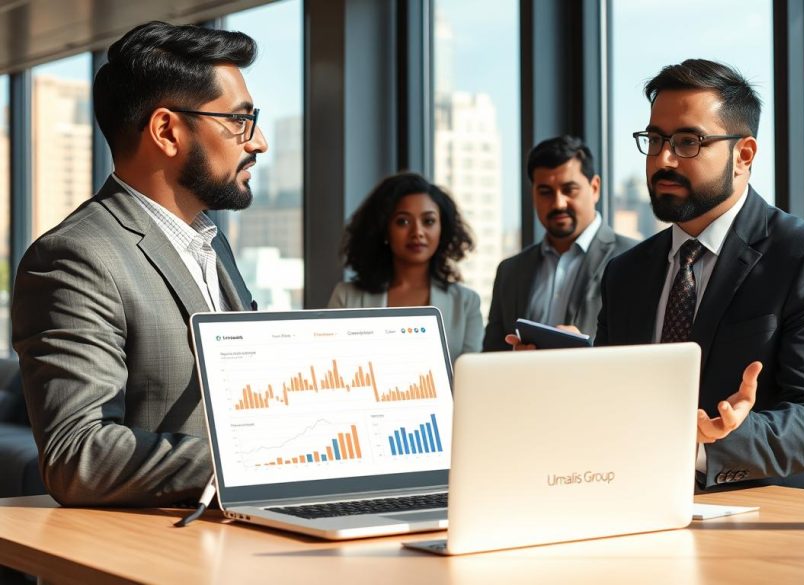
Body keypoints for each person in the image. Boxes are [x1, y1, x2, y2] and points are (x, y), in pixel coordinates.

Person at [12, 21, 265, 506]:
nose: (257, 142)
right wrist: (257, 463)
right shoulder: (74, 257)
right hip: (153, 543)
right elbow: (78, 453)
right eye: (239, 121)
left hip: (247, 529)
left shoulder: (212, 245)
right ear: (167, 131)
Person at [597, 59, 804, 492]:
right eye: (655, 139)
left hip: (781, 515)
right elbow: (611, 399)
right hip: (642, 499)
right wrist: (558, 371)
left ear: (744, 155)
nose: (663, 159)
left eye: (688, 142)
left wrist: (718, 439)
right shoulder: (626, 272)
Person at [483, 135, 635, 351]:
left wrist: (587, 353)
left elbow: (644, 352)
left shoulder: (634, 260)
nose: (558, 203)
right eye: (545, 192)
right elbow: (491, 357)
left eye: (569, 190)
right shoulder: (510, 271)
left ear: (595, 188)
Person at [327, 173, 482, 361]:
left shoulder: (466, 303)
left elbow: (470, 375)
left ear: (443, 229)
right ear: (384, 229)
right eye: (403, 221)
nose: (417, 232)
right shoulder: (346, 297)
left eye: (428, 221)